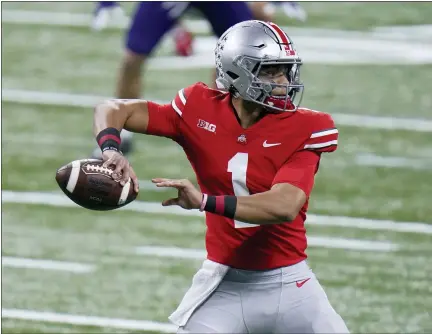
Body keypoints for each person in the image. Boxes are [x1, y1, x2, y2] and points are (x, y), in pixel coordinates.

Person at [93, 20, 348, 334]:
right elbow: (113, 108)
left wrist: (203, 201)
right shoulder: (198, 108)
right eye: (269, 71)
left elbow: (284, 205)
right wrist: (111, 149)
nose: (282, 81)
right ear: (236, 74)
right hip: (224, 285)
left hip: (292, 286)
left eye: (285, 70)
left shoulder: (308, 126)